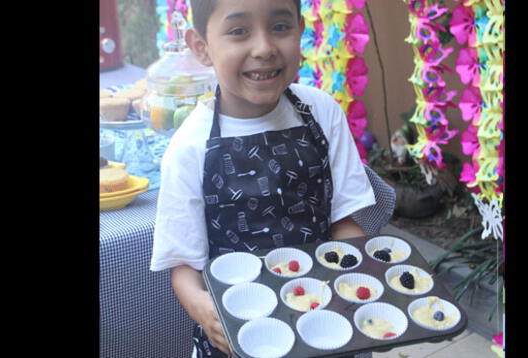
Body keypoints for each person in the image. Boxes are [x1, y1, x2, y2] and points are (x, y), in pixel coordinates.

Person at [150, 0, 376, 357]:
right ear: (201, 47)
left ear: (301, 29)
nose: (264, 48)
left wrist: (358, 280)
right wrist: (207, 314)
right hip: (241, 332)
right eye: (239, 31)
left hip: (325, 321)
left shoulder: (323, 112)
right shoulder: (188, 147)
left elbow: (343, 223)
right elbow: (184, 268)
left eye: (280, 27)